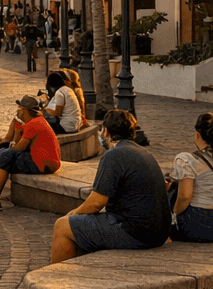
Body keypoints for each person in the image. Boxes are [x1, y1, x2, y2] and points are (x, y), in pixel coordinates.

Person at [49, 109, 169, 262]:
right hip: (158, 232)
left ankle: (54, 278)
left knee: (62, 226)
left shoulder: (113, 156)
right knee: (78, 229)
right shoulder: (144, 152)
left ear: (106, 132)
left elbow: (96, 202)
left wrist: (72, 214)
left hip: (136, 232)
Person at [0, 94, 60, 211]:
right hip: (41, 161)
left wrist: (17, 134)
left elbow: (19, 148)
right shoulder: (37, 121)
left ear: (24, 110)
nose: (18, 111)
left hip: (43, 164)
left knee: (5, 156)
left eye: (19, 108)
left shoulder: (33, 124)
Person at [169, 113, 213, 242]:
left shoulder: (186, 159)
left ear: (197, 134)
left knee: (173, 190)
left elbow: (185, 196)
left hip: (197, 225)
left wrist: (174, 215)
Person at [42, 71, 81, 135]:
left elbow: (58, 112)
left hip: (66, 127)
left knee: (42, 125)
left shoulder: (59, 93)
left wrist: (46, 110)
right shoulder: (68, 90)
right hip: (75, 125)